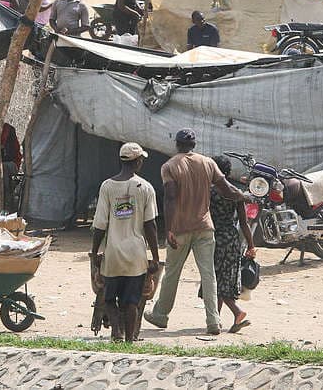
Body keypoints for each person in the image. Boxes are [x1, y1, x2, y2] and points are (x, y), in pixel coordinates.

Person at [145, 129, 250, 336]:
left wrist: (169, 228)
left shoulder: (170, 166)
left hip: (181, 228)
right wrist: (245, 196)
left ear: (176, 144)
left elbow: (170, 197)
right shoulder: (208, 163)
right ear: (194, 145)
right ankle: (213, 321)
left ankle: (160, 315)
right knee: (209, 274)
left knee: (172, 274)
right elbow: (227, 189)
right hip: (205, 228)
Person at [90, 143, 161, 343]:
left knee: (110, 298)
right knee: (132, 300)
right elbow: (150, 225)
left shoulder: (107, 187)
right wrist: (155, 257)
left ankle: (116, 333)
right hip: (136, 254)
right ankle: (129, 338)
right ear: (137, 161)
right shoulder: (145, 187)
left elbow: (100, 225)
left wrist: (95, 253)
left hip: (113, 253)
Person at [210, 155, 255, 333]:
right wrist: (251, 245)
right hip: (232, 239)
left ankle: (237, 312)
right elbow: (244, 223)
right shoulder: (236, 193)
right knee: (224, 280)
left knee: (214, 280)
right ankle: (216, 319)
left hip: (214, 238)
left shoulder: (210, 192)